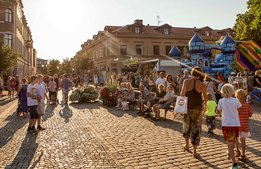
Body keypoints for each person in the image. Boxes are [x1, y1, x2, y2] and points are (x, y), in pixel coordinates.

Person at [180, 67, 207, 158]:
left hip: (187, 107)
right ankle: (194, 152)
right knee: (196, 129)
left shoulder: (186, 81)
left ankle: (187, 145)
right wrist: (205, 107)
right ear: (200, 74)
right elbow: (205, 97)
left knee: (186, 126)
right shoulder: (202, 84)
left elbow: (182, 94)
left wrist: (179, 107)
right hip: (197, 109)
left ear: (192, 73)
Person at [218, 84, 242, 169]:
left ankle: (234, 164)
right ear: (232, 91)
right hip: (235, 123)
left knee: (229, 143)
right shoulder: (236, 100)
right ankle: (237, 151)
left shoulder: (221, 101)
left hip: (227, 124)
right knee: (235, 138)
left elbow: (220, 113)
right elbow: (238, 110)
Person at [235, 89, 253, 161]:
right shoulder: (247, 105)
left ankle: (237, 151)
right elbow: (250, 114)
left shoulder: (236, 105)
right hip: (244, 126)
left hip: (236, 125)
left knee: (236, 139)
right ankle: (243, 154)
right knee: (243, 141)